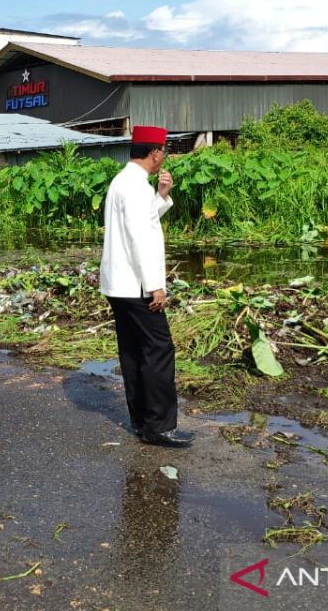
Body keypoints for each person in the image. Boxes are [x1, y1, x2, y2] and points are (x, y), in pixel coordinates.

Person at [100, 126, 193, 448]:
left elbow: (141, 222)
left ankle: (142, 422)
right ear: (155, 153)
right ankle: (160, 427)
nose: (163, 157)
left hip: (118, 285)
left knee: (133, 352)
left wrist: (162, 196)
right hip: (137, 285)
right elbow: (142, 238)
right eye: (163, 151)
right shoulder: (136, 187)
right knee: (159, 350)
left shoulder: (123, 182)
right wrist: (156, 286)